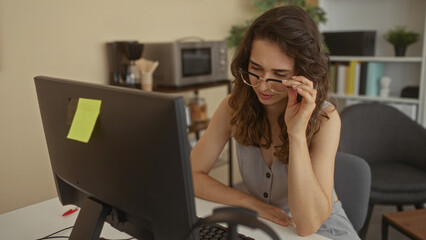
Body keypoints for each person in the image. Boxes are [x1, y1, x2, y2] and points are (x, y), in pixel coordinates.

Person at [190, 5, 360, 239]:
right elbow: (192, 175)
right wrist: (254, 205)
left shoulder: (325, 118)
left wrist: (297, 132)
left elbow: (308, 224)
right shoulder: (233, 106)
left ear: (304, 73)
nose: (262, 86)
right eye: (255, 69)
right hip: (267, 226)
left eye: (279, 75)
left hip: (323, 232)